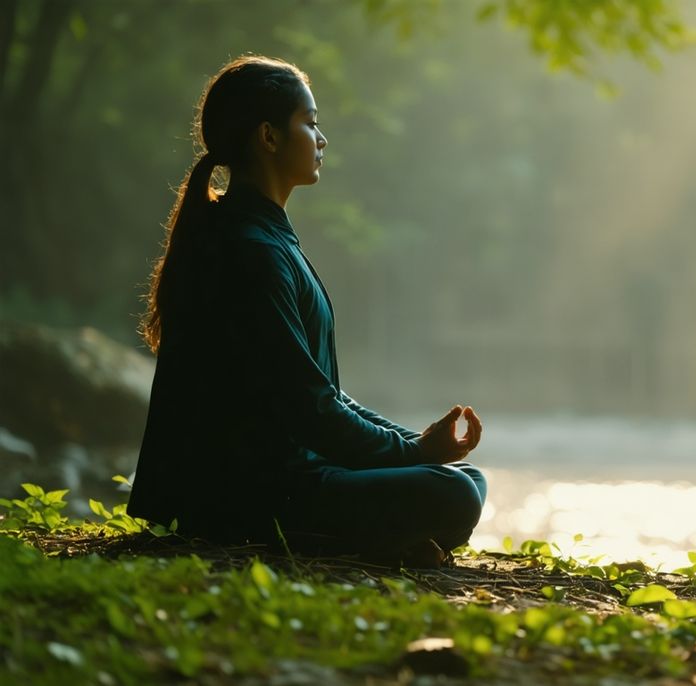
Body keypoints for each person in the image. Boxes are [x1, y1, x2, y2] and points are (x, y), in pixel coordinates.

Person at [127, 54, 486, 567]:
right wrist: (414, 454)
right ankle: (362, 540)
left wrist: (414, 444)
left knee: (466, 479)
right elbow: (310, 410)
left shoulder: (262, 236)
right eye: (311, 123)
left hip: (286, 477)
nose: (322, 139)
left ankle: (382, 537)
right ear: (269, 137)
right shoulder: (251, 250)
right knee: (455, 493)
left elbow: (321, 393)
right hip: (247, 498)